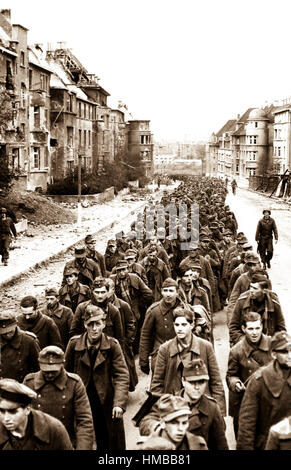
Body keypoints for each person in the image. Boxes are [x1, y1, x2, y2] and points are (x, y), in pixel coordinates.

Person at [65, 306, 129, 450]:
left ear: (104, 324)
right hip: (81, 400)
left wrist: (118, 403)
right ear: (84, 325)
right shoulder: (74, 344)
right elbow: (65, 374)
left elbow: (122, 375)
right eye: (90, 324)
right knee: (81, 440)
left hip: (106, 400)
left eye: (98, 324)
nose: (94, 329)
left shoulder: (112, 345)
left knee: (111, 441)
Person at [150, 307, 226, 417]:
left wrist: (220, 413)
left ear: (192, 325)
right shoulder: (164, 349)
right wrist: (160, 412)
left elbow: (216, 382)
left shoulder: (205, 347)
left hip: (201, 407)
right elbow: (157, 383)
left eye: (184, 325)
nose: (179, 329)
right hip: (174, 408)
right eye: (177, 325)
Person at [139, 359, 228, 450]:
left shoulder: (212, 407)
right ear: (183, 381)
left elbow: (220, 443)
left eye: (201, 382)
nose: (197, 387)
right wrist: (159, 428)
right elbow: (145, 423)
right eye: (192, 382)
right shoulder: (169, 401)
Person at [23, 345, 93, 450]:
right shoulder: (29, 382)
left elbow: (84, 420)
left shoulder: (74, 383)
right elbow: (20, 416)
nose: (50, 375)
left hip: (65, 442)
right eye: (46, 371)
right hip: (36, 444)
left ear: (62, 365)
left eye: (54, 371)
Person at [237, 331, 291, 450]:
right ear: (273, 354)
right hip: (267, 444)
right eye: (284, 352)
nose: (290, 355)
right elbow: (247, 423)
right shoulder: (259, 380)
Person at [226, 312, 272, 438]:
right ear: (243, 329)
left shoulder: (272, 345)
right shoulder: (236, 351)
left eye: (257, 328)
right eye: (250, 328)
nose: (254, 332)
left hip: (268, 400)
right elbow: (231, 375)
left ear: (262, 327)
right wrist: (236, 383)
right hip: (245, 401)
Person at [0, 378, 73, 450]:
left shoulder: (54, 429)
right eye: (2, 411)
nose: (6, 418)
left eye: (12, 411)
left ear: (27, 409)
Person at [139, 278, 188, 374]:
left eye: (171, 291)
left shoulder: (185, 309)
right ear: (161, 292)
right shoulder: (154, 310)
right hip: (160, 354)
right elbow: (145, 335)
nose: (168, 294)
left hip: (182, 352)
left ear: (177, 292)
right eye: (165, 291)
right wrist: (143, 360)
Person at [229, 276, 286, 346]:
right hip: (244, 344)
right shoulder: (242, 301)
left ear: (264, 291)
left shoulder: (274, 303)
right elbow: (233, 327)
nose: (251, 291)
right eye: (251, 287)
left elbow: (281, 329)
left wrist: (270, 343)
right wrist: (244, 341)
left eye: (255, 288)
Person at [138, 393, 207, 450]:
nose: (181, 428)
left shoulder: (198, 445)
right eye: (174, 423)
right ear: (162, 423)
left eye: (184, 423)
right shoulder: (146, 447)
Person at [69, 277, 124, 346]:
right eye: (97, 292)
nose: (100, 295)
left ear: (107, 292)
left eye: (103, 292)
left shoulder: (113, 311)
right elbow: (73, 332)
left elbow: (119, 338)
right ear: (92, 292)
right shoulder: (82, 308)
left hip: (106, 351)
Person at [0, 311, 40, 382]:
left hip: (22, 387)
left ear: (16, 325)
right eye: (4, 333)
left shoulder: (29, 340)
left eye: (10, 331)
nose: (7, 335)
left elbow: (38, 368)